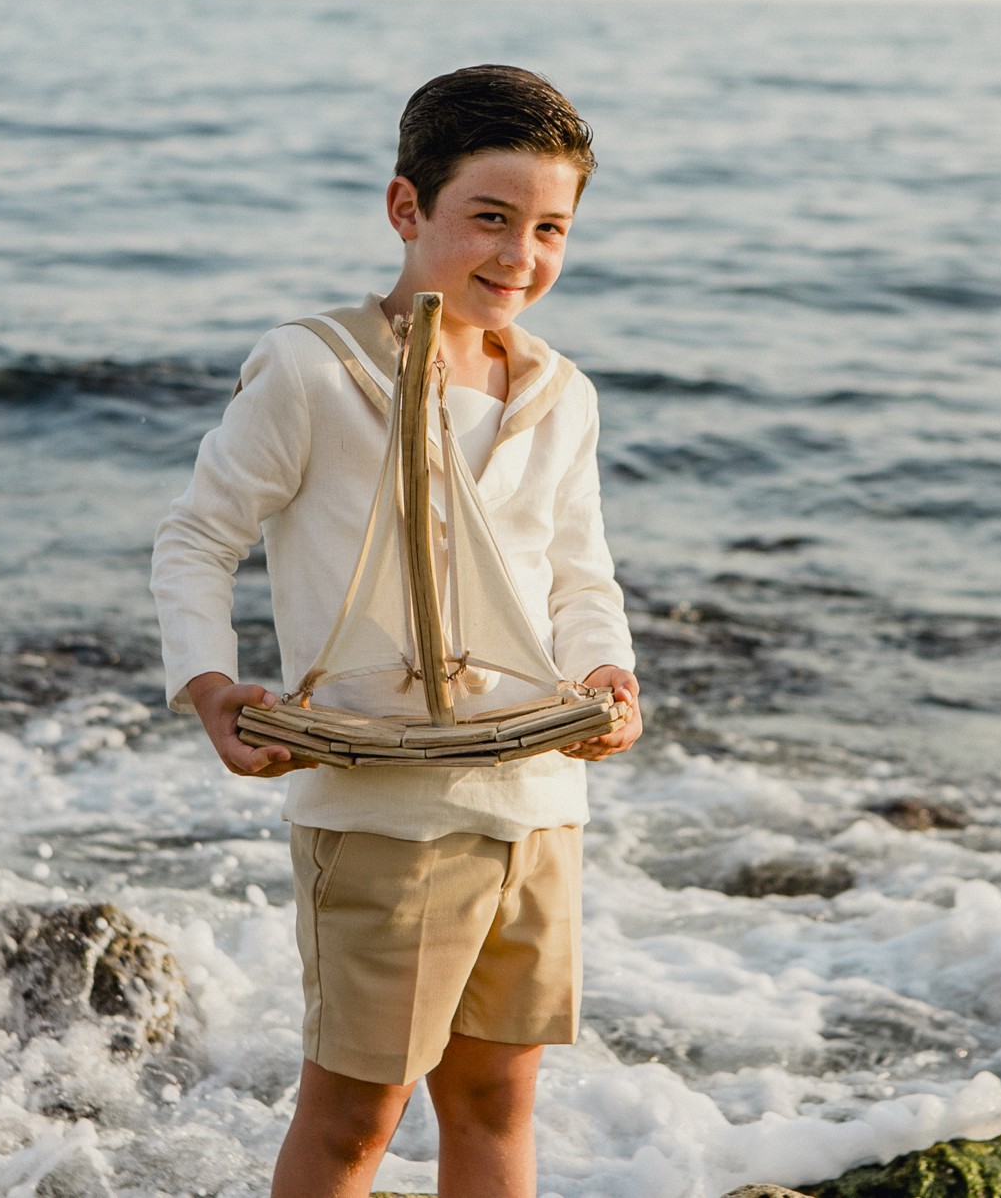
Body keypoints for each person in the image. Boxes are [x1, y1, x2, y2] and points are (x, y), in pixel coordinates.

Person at [151, 64, 643, 1198]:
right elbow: (195, 537)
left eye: (549, 228)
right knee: (352, 1122)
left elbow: (578, 571)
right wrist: (211, 686)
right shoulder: (315, 369)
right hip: (381, 801)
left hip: (536, 796)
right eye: (489, 218)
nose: (519, 255)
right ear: (405, 209)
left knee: (495, 1100)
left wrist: (606, 670)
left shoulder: (560, 391)